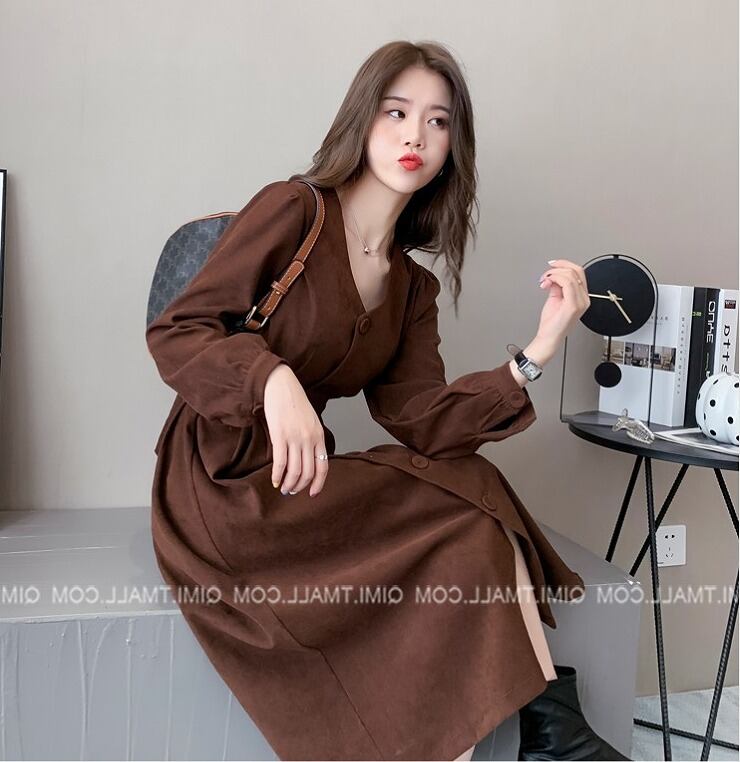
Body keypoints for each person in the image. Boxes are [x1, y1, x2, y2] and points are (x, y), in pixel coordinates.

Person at [146, 40, 619, 761]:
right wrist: (270, 380)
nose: (415, 135)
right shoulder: (292, 210)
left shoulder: (410, 286)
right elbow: (177, 331)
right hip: (219, 484)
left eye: (438, 121)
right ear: (362, 121)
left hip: (302, 480)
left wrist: (539, 350)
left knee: (472, 499)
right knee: (468, 509)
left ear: (452, 147)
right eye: (397, 113)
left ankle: (551, 733)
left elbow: (423, 421)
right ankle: (554, 737)